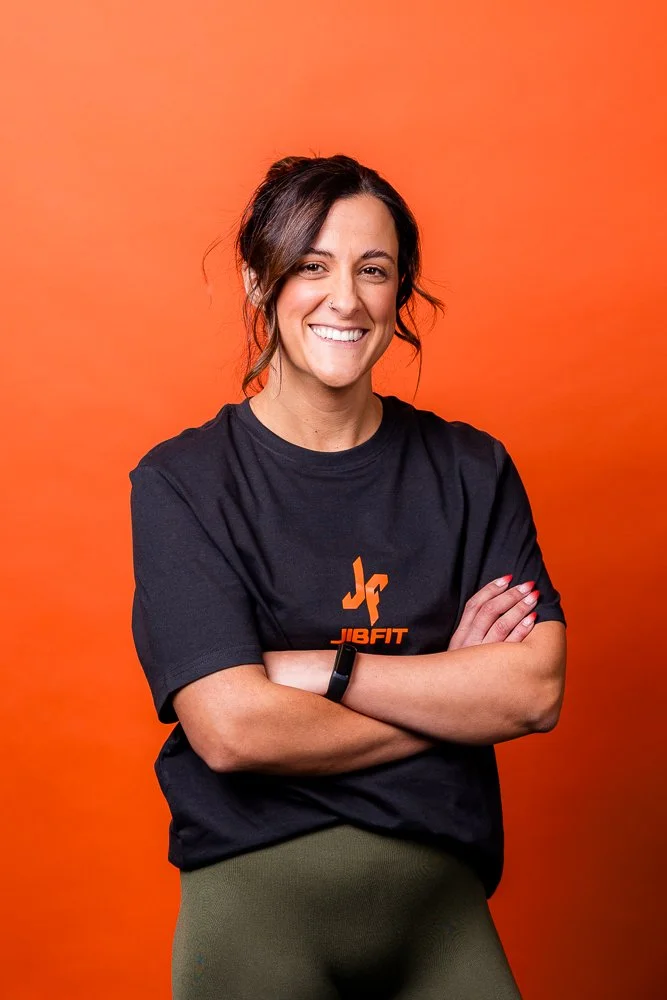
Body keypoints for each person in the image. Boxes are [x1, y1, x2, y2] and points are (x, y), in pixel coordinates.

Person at [128, 154, 567, 1000]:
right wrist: (454, 703)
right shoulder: (183, 481)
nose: (345, 299)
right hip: (255, 920)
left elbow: (533, 692)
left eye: (374, 270)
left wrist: (326, 672)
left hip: (443, 914)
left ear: (400, 293)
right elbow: (232, 730)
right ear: (261, 281)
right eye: (310, 266)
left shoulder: (471, 470)